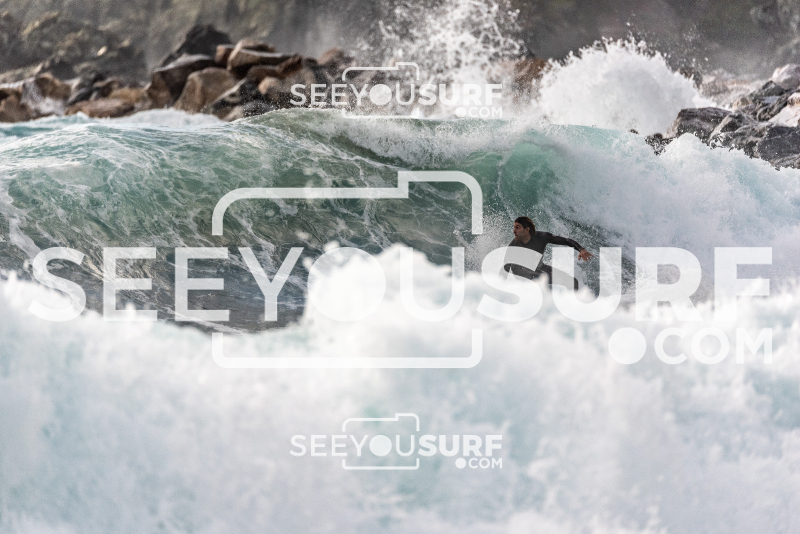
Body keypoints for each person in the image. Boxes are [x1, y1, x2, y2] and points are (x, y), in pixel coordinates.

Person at [503, 216, 593, 290]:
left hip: (539, 267)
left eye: (517, 227)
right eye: (514, 227)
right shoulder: (514, 245)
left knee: (573, 282)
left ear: (527, 230)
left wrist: (581, 249)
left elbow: (565, 241)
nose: (514, 231)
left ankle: (571, 304)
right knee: (541, 278)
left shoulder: (542, 237)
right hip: (521, 271)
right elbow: (506, 266)